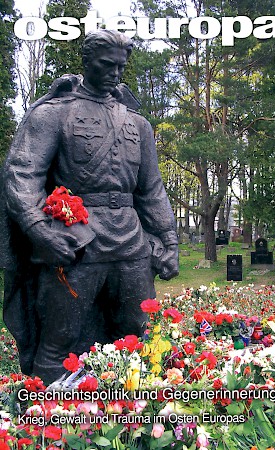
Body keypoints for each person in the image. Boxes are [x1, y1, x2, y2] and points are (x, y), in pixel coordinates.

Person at [3, 30, 179, 384]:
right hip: (76, 241)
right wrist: (39, 232)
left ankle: (133, 415)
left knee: (137, 331)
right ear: (87, 62)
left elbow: (151, 189)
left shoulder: (137, 123)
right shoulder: (54, 114)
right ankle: (46, 420)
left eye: (121, 66)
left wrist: (169, 241)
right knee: (61, 339)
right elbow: (23, 174)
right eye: (106, 65)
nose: (115, 73)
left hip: (130, 240)